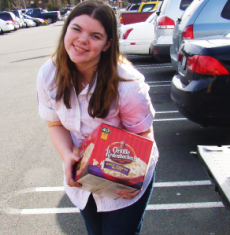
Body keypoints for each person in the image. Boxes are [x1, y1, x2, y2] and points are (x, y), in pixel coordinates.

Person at [36, 1, 159, 234]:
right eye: (76, 29)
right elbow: (54, 124)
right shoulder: (49, 74)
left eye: (95, 35)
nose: (82, 39)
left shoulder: (127, 83)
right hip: (83, 179)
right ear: (66, 29)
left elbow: (144, 135)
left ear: (107, 44)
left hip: (124, 178)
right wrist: (67, 156)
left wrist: (133, 178)